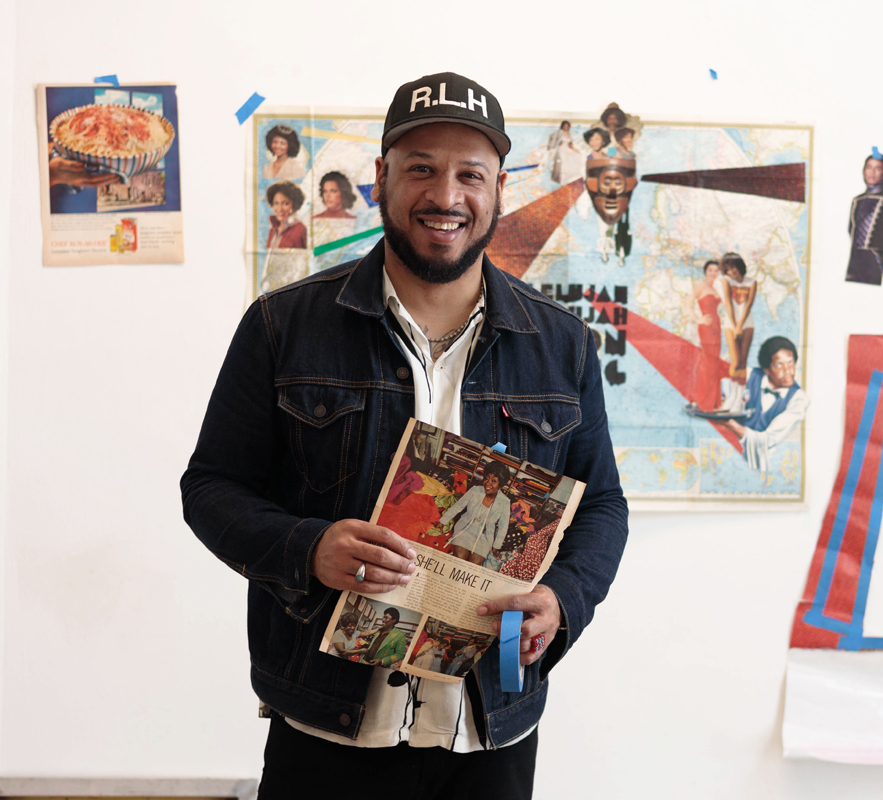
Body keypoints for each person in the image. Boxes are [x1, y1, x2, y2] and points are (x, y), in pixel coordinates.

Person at [181, 72, 628, 799]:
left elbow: (603, 504)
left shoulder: (564, 345)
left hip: (489, 731)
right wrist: (308, 549)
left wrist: (566, 599)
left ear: (498, 192)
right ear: (381, 178)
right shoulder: (281, 326)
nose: (445, 196)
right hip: (325, 728)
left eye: (469, 174)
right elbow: (210, 489)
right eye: (421, 168)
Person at [717, 336, 809, 471]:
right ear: (766, 370)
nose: (788, 370)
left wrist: (731, 424)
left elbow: (767, 440)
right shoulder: (750, 375)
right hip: (725, 454)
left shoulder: (798, 399)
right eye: (779, 365)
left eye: (791, 362)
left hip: (765, 464)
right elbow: (719, 387)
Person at [845, 151, 883, 285]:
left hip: (874, 263)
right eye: (869, 167)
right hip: (855, 261)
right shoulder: (857, 200)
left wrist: (882, 258)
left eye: (877, 168)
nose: (872, 172)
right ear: (863, 171)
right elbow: (851, 229)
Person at [442, 459, 512, 566]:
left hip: (485, 538)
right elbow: (458, 506)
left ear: (500, 485)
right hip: (465, 530)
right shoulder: (475, 490)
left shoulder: (505, 502)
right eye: (486, 478)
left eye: (494, 481)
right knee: (458, 562)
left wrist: (496, 546)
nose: (488, 483)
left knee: (472, 566)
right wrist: (443, 521)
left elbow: (503, 526)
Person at [689, 259, 725, 411]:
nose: (713, 273)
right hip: (706, 328)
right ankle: (703, 401)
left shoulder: (715, 288)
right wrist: (698, 319)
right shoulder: (701, 287)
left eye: (716, 271)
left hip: (716, 327)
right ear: (705, 272)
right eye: (710, 270)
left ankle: (714, 402)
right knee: (707, 363)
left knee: (714, 363)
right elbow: (687, 303)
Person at [717, 252, 757, 380]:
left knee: (743, 362)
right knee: (736, 361)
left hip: (747, 323)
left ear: (739, 266)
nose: (731, 272)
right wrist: (735, 327)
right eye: (727, 270)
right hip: (730, 323)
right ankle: (731, 393)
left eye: (733, 267)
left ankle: (740, 395)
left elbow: (748, 305)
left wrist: (740, 326)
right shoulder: (726, 280)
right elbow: (728, 304)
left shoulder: (752, 282)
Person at [265, 182, 307, 249]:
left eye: (285, 204)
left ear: (294, 205)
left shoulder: (300, 229)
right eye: (276, 203)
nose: (280, 209)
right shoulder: (273, 230)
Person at [546, 120, 583, 185]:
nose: (565, 127)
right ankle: (561, 180)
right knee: (563, 163)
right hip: (562, 148)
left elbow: (570, 142)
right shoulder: (559, 132)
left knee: (576, 156)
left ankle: (571, 177)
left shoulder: (569, 132)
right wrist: (557, 144)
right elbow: (553, 138)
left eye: (567, 126)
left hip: (568, 148)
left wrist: (574, 148)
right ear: (562, 126)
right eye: (564, 126)